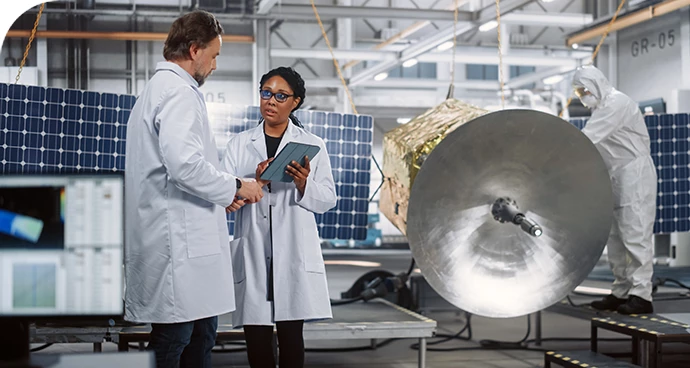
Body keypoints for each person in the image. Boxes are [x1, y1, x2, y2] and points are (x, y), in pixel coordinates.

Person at [123, 10, 263, 368]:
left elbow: (182, 167)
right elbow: (184, 165)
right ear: (194, 49)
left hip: (184, 241)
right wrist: (237, 185)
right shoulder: (178, 93)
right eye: (214, 55)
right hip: (177, 247)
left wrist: (225, 194)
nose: (215, 65)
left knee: (200, 335)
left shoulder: (161, 90)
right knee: (176, 339)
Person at [221, 66, 337, 368]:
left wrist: (302, 183)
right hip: (254, 250)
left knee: (291, 340)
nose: (270, 101)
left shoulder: (312, 145)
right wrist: (255, 181)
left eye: (280, 95)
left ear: (295, 101)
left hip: (293, 253)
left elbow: (327, 200)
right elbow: (223, 197)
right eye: (266, 93)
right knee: (257, 343)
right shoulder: (238, 144)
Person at [572, 65, 658, 315]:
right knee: (616, 237)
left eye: (584, 89)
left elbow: (587, 139)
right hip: (614, 175)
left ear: (597, 84)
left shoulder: (616, 104)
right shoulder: (600, 109)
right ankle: (621, 291)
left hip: (634, 174)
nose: (583, 96)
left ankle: (642, 295)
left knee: (635, 232)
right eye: (579, 92)